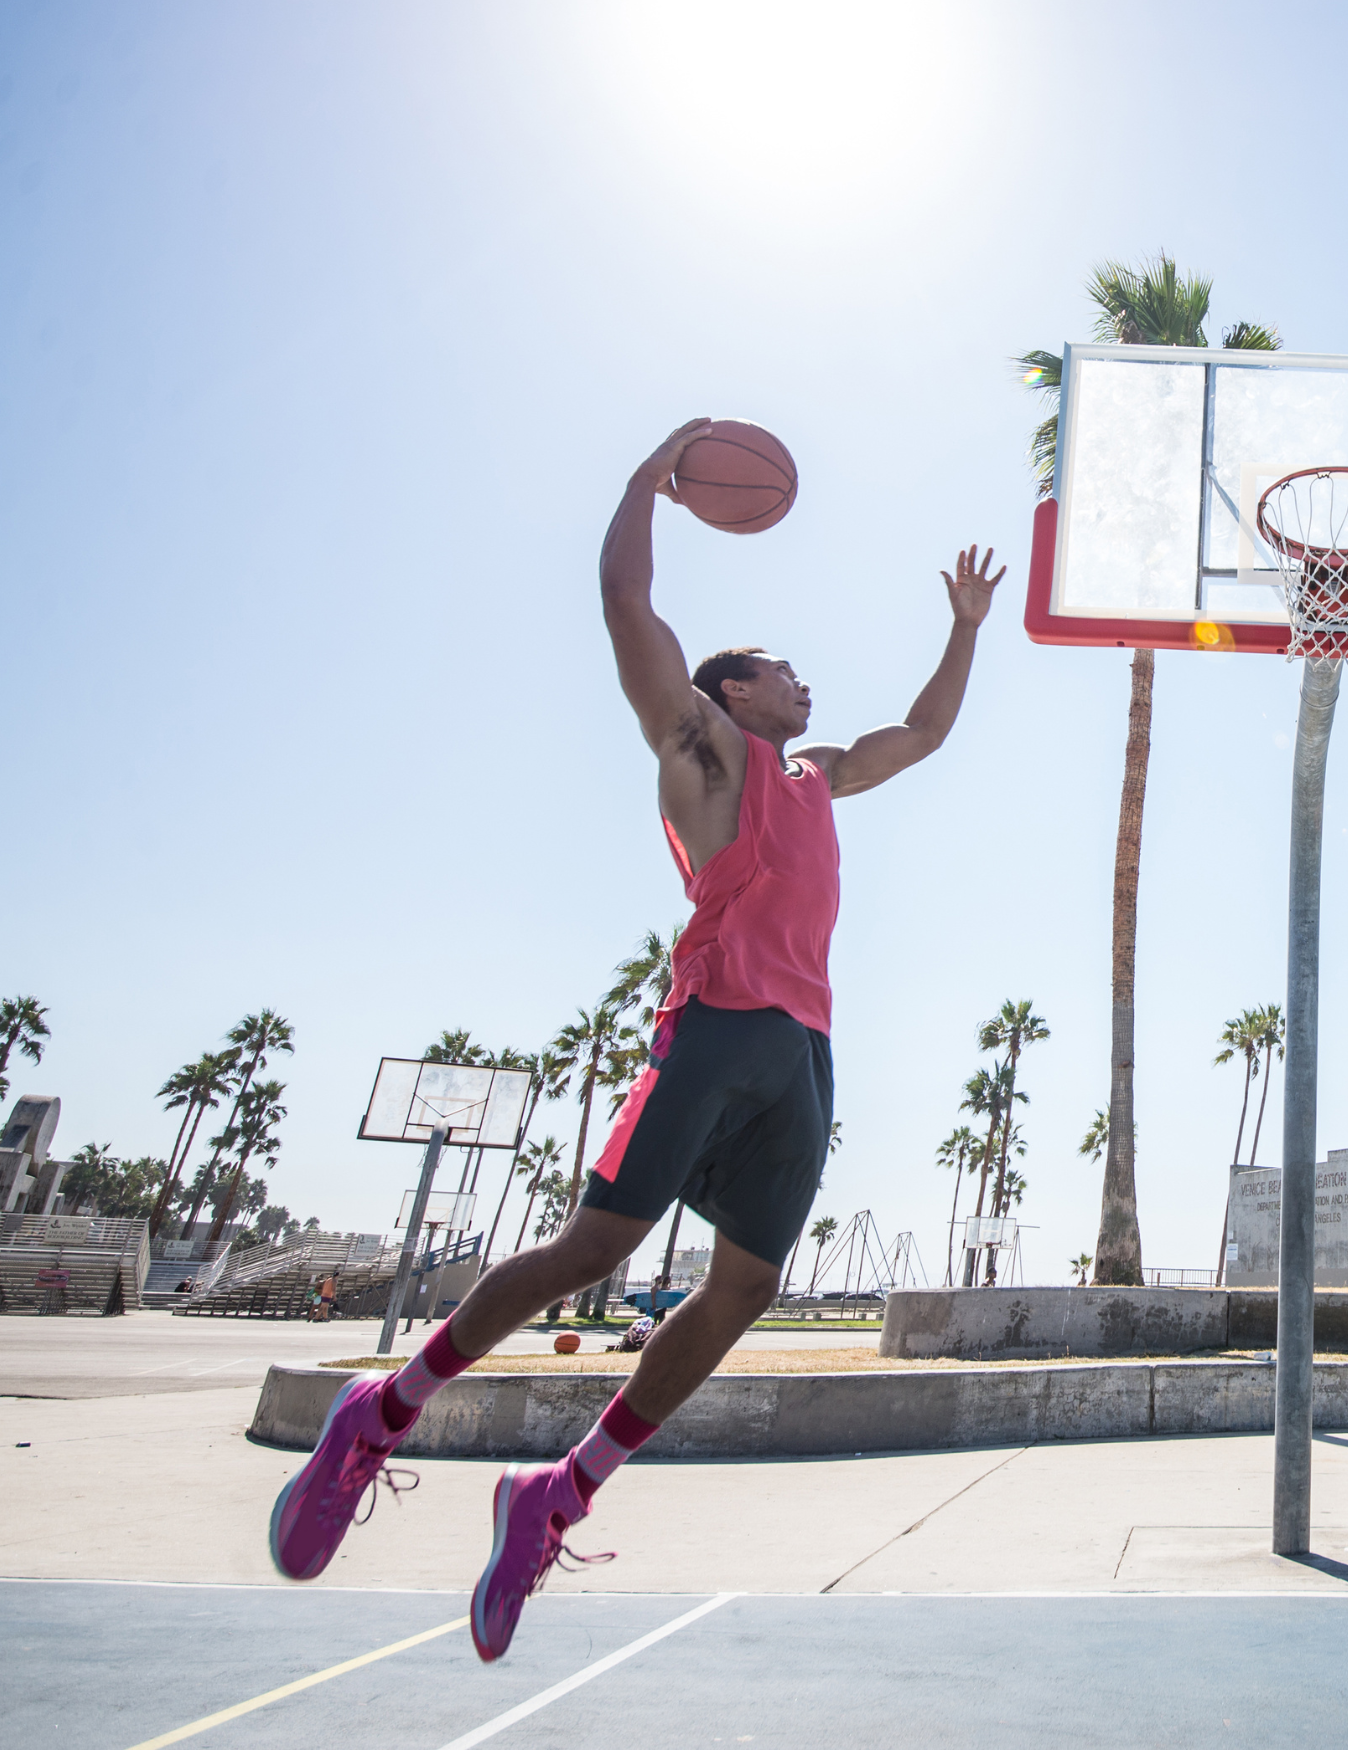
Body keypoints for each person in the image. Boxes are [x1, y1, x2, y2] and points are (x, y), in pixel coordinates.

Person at [269, 418, 1001, 1659]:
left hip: (804, 1049)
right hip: (715, 1024)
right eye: (783, 672)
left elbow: (920, 736)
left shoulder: (818, 774)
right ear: (730, 693)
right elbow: (627, 601)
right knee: (591, 1248)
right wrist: (639, 487)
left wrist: (965, 631)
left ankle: (559, 1493)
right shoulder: (704, 754)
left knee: (748, 1286)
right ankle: (381, 1416)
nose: (804, 686)